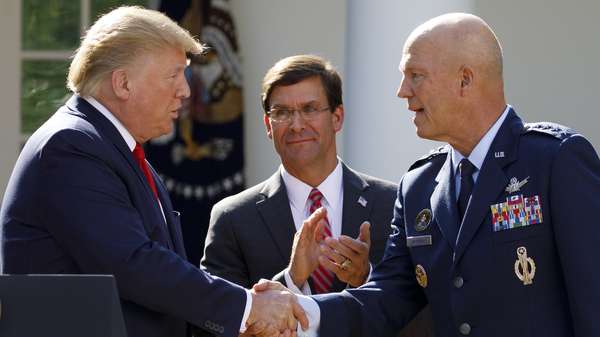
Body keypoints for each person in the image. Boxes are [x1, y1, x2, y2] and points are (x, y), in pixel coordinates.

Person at [259, 12, 600, 336]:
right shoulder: (418, 187)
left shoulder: (554, 160)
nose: (402, 90)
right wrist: (300, 310)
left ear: (464, 80)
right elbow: (386, 298)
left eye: (416, 75)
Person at [0, 6, 307, 337]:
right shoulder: (70, 147)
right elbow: (135, 265)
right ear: (123, 83)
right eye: (174, 74)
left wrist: (257, 305)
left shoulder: (120, 151)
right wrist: (247, 309)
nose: (186, 90)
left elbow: (161, 285)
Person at [200, 55, 433, 336]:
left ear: (337, 117)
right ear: (267, 124)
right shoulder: (232, 218)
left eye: (310, 109)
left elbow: (427, 317)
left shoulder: (395, 202)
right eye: (282, 112)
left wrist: (365, 279)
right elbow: (214, 325)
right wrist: (292, 279)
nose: (296, 124)